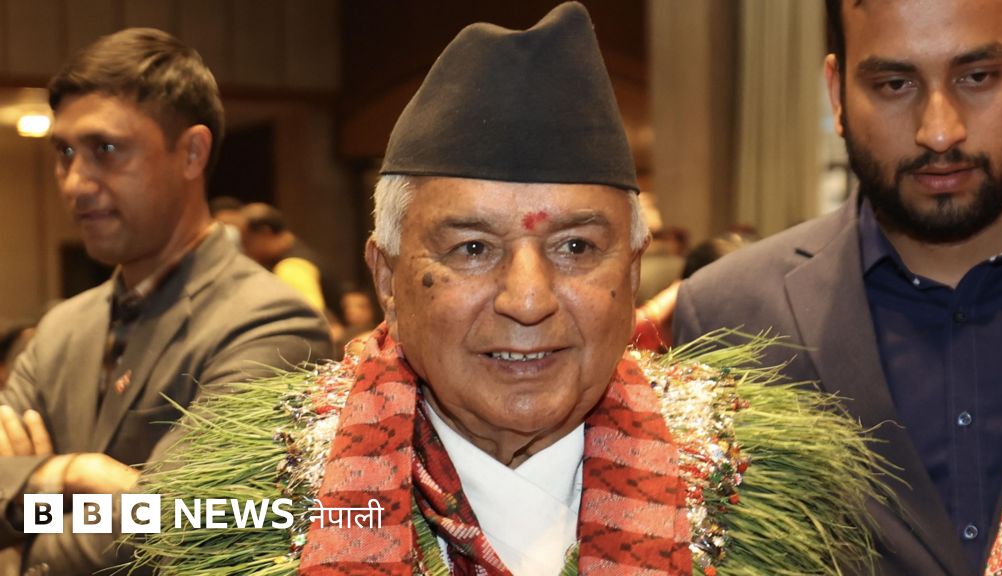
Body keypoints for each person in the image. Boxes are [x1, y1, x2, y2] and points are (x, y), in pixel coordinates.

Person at [124, 4, 892, 576]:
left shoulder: (761, 492)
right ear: (387, 278)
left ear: (632, 273)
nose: (527, 300)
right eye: (472, 249)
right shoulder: (256, 503)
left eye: (576, 247)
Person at [674, 0, 1002, 574]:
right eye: (894, 84)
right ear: (837, 95)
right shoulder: (728, 315)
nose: (939, 131)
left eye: (978, 77)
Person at [0, 28, 333, 575]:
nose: (75, 182)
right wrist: (67, 475)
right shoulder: (60, 326)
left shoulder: (271, 324)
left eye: (106, 149)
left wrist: (22, 532)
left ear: (192, 152)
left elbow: (176, 527)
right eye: (64, 152)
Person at [240, 202, 342, 319]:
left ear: (265, 232)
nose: (244, 249)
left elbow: (308, 319)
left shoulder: (291, 267)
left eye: (246, 241)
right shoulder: (296, 251)